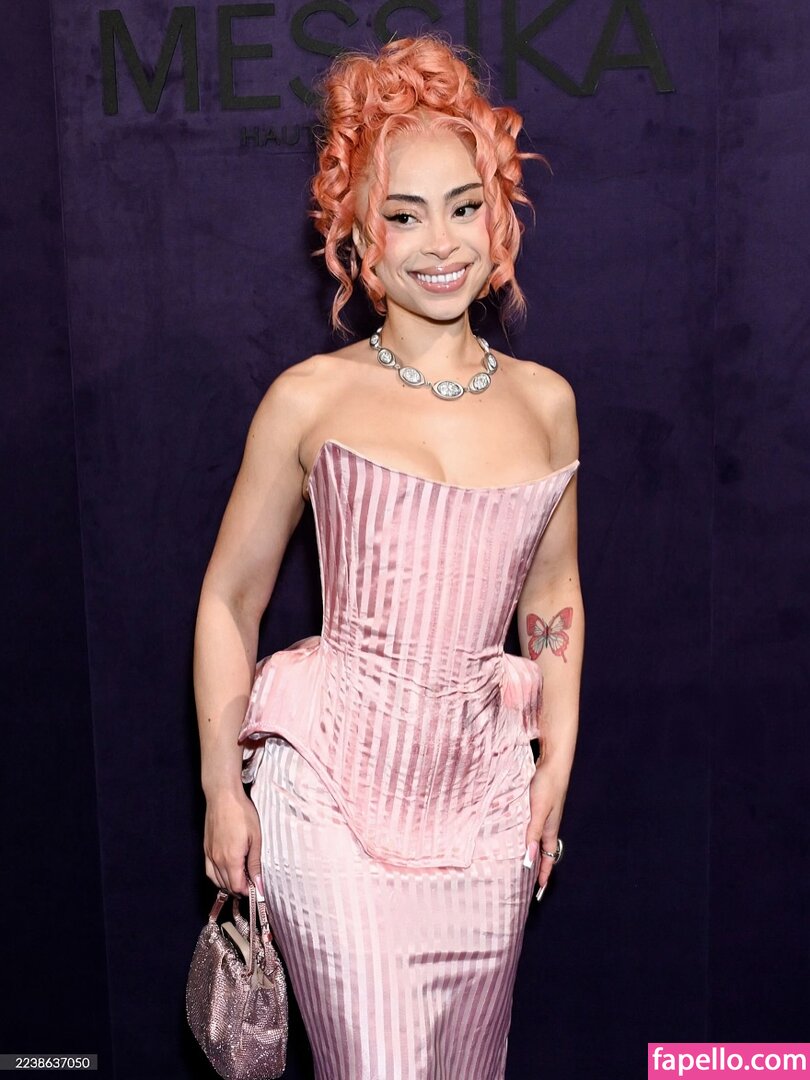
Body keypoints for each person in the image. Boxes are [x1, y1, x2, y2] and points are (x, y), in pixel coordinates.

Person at [193, 34, 583, 1079]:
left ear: (499, 216)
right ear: (358, 236)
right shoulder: (308, 398)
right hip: (330, 799)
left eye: (464, 206)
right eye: (403, 216)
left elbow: (554, 599)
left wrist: (555, 766)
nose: (439, 243)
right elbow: (230, 600)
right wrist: (223, 787)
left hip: (486, 808)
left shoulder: (547, 404)